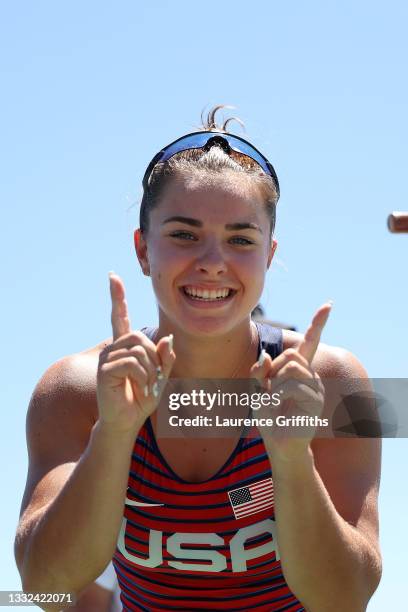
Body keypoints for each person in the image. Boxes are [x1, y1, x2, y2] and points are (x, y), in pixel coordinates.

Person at [15, 106, 382, 611]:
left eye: (240, 239)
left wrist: (292, 459)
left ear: (269, 256)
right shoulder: (76, 388)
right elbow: (42, 587)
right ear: (143, 250)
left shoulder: (340, 381)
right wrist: (115, 435)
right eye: (184, 235)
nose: (212, 263)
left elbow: (346, 600)